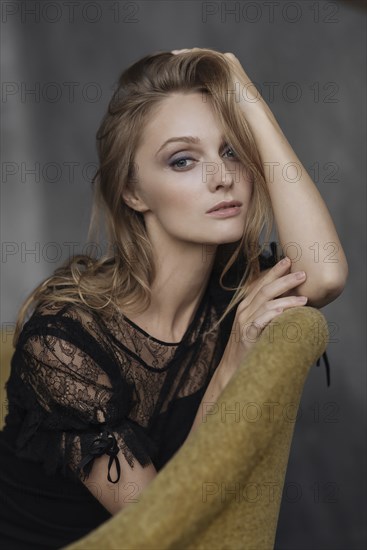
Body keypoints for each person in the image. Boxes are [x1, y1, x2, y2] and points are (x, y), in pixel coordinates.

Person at [0, 48, 348, 549]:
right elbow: (160, 523)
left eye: (232, 151)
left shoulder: (232, 291)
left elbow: (327, 273)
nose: (221, 177)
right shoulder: (64, 342)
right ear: (134, 192)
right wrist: (231, 360)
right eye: (182, 160)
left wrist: (248, 101)